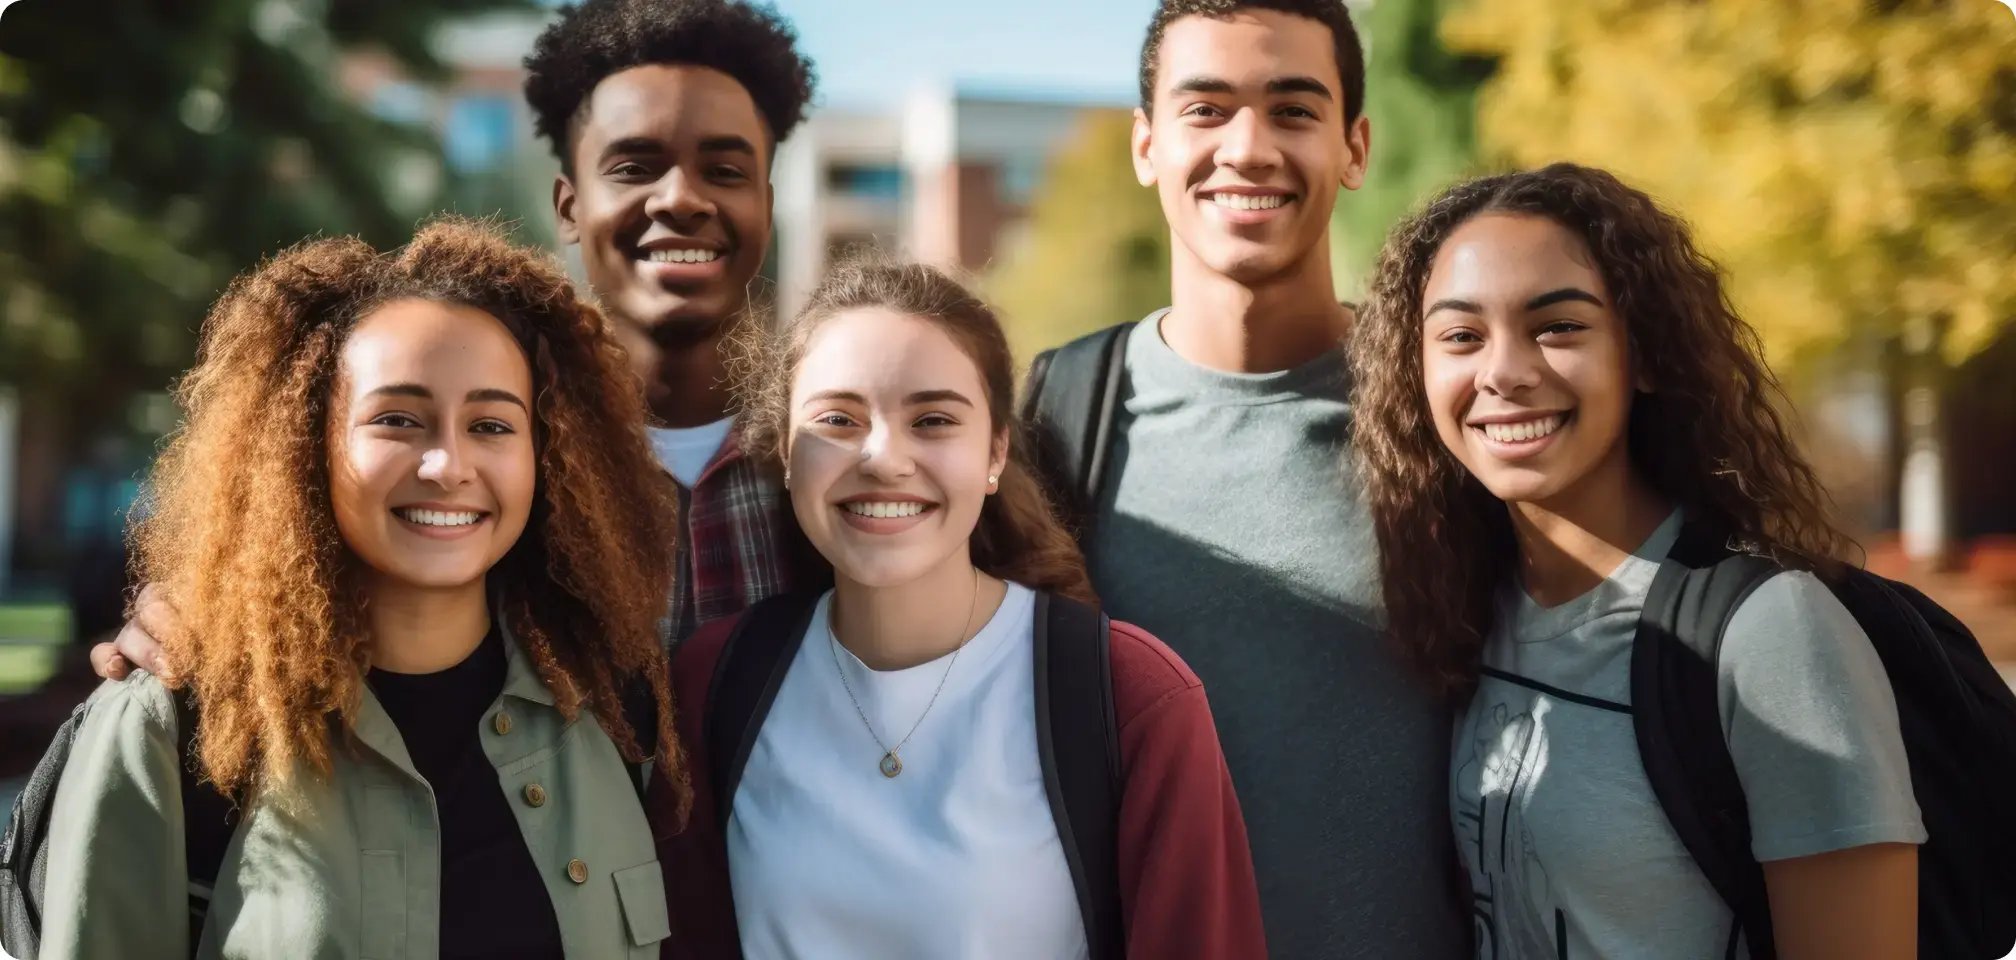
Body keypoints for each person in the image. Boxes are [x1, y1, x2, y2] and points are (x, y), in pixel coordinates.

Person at [89, 0, 823, 684]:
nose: (680, 198)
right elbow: (286, 574)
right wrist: (194, 620)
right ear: (569, 207)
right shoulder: (482, 451)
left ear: (765, 200)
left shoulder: (841, 455)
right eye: (634, 167)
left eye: (725, 171)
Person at [40, 219, 686, 959]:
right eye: (397, 420)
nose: (448, 464)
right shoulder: (171, 725)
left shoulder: (613, 706)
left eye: (492, 425)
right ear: (301, 446)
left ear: (547, 459)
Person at [1351, 163, 1923, 958]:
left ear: (1644, 355)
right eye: (1460, 336)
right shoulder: (1478, 605)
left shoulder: (1774, 635)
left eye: (1558, 326)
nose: (1504, 371)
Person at [1022, 1, 1466, 955]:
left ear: (1354, 147)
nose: (1250, 147)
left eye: (1294, 111)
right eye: (1206, 108)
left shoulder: (1452, 411)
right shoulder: (1056, 418)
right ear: (1146, 145)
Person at [662, 261, 1266, 959]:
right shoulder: (714, 684)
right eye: (837, 420)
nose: (884, 458)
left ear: (996, 450)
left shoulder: (1129, 696)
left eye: (933, 420)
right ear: (786, 452)